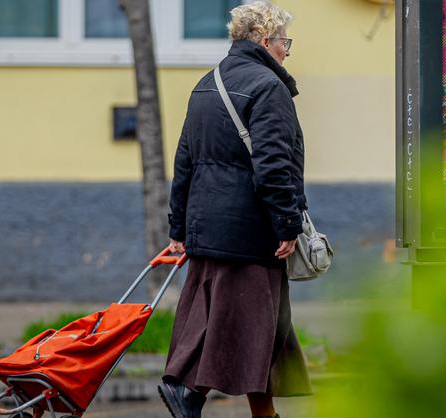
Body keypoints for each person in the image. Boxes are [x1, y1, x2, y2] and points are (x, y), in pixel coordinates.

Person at [157, 2, 311, 418]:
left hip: (209, 230)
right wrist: (286, 223)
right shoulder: (268, 87)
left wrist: (180, 227)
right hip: (250, 232)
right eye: (284, 42)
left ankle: (262, 413)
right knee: (248, 330)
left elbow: (184, 161)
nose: (287, 51)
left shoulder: (207, 83)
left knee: (252, 330)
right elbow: (274, 164)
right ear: (265, 41)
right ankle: (188, 393)